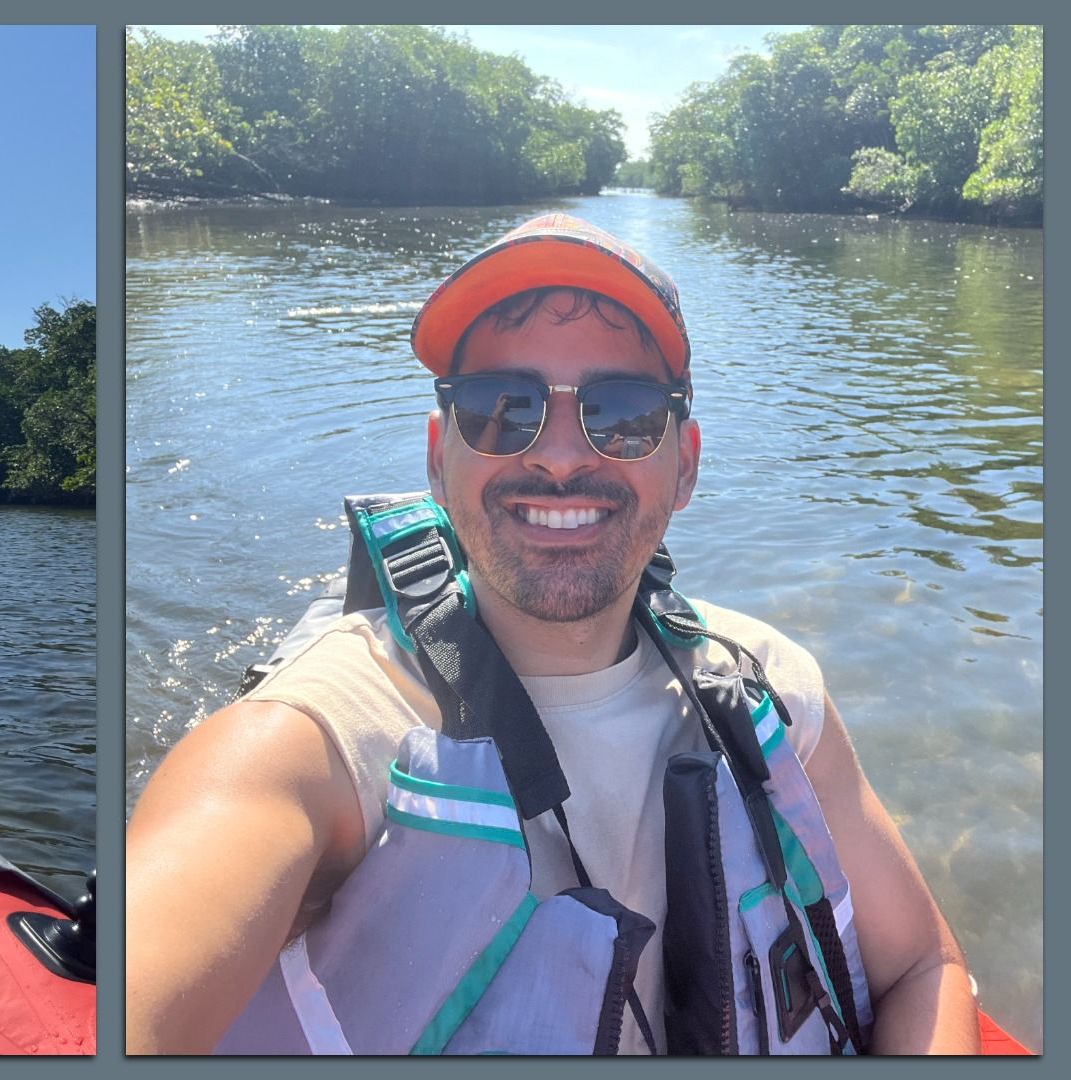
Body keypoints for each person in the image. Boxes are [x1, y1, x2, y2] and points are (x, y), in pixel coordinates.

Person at [125, 214, 980, 1055]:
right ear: (437, 458)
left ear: (683, 464)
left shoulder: (771, 685)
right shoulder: (317, 743)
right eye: (503, 408)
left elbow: (921, 965)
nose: (564, 455)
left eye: (623, 412)